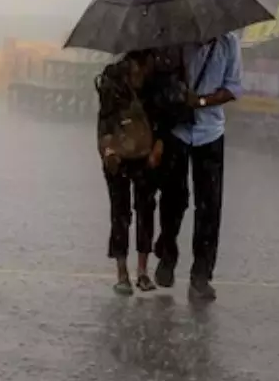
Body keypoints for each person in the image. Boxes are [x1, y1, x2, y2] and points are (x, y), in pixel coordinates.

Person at [154, 30, 243, 302]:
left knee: (209, 206)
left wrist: (202, 101)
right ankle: (167, 254)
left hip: (210, 132)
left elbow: (233, 88)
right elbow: (163, 78)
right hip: (178, 130)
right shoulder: (178, 41)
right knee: (173, 199)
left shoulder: (229, 44)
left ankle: (201, 275)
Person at [95, 50, 166, 295]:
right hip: (118, 153)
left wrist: (159, 144)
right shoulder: (111, 79)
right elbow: (105, 118)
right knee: (120, 211)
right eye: (138, 68)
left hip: (146, 155)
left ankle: (143, 272)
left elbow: (163, 116)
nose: (141, 73)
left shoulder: (157, 79)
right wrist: (108, 149)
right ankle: (122, 272)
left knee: (146, 208)